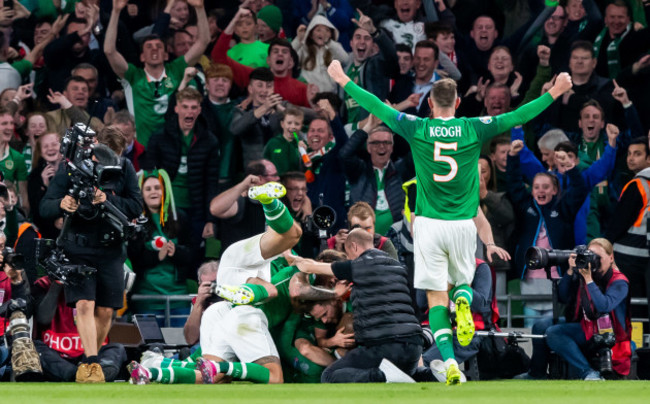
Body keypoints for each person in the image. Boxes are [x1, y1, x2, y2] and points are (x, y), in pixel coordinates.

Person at [328, 58, 574, 384]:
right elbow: (518, 115)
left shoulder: (417, 126)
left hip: (429, 224)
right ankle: (463, 301)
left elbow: (377, 106)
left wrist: (343, 78)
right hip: (463, 223)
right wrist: (555, 91)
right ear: (458, 103)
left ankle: (449, 362)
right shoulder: (474, 126)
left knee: (434, 299)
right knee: (461, 285)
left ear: (429, 103)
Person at [39, 128, 143, 383]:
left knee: (107, 310)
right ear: (93, 149)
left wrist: (108, 198)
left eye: (114, 157)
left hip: (110, 248)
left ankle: (86, 361)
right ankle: (92, 363)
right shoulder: (72, 167)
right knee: (85, 304)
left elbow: (136, 206)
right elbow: (45, 206)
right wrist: (62, 204)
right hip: (78, 246)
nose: (108, 163)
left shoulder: (125, 168)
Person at [294, 228, 423, 383]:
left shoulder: (358, 266)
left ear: (354, 247)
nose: (350, 259)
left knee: (329, 376)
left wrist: (293, 259)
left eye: (349, 254)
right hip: (414, 347)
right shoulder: (397, 266)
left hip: (385, 346)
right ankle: (432, 374)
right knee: (411, 376)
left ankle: (382, 376)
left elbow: (309, 267)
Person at [516, 238, 631, 380]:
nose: (593, 261)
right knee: (540, 326)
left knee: (554, 333)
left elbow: (603, 306)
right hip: (585, 323)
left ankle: (587, 372)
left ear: (611, 257)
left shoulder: (619, 282)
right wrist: (570, 271)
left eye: (597, 257)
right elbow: (562, 297)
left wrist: (588, 280)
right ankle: (536, 373)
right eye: (590, 256)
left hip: (607, 331)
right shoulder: (585, 273)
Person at [104, 0, 210, 146]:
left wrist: (199, 8)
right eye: (149, 47)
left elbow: (203, 42)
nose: (154, 49)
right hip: (143, 149)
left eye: (159, 47)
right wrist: (115, 12)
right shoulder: (133, 75)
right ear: (142, 56)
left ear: (166, 55)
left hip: (173, 148)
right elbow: (109, 51)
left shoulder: (176, 69)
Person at [141, 87, 219, 252]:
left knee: (194, 255)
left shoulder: (210, 140)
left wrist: (210, 219)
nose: (189, 112)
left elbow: (211, 182)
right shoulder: (159, 136)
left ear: (199, 110)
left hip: (196, 210)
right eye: (185, 107)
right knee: (167, 252)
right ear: (176, 108)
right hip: (167, 208)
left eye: (193, 107)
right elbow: (149, 175)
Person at [31, 275, 127, 382]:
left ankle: (95, 374)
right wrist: (57, 283)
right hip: (57, 353)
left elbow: (108, 317)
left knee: (117, 349)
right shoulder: (42, 284)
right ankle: (76, 375)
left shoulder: (98, 283)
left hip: (91, 354)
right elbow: (43, 319)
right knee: (34, 348)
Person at [127, 170, 192, 327]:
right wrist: (157, 256)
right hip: (146, 300)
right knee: (150, 349)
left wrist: (175, 252)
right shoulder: (134, 222)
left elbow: (192, 255)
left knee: (182, 346)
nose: (153, 192)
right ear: (141, 194)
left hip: (178, 299)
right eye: (148, 189)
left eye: (157, 187)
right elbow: (133, 258)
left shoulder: (180, 217)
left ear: (165, 191)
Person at [606, 138, 650, 325]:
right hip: (644, 257)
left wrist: (605, 246)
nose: (631, 158)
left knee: (629, 310)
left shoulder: (638, 185)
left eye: (637, 154)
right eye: (629, 153)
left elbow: (618, 223)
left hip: (628, 258)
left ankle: (630, 349)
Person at [0, 231, 31, 379]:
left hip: (7, 341)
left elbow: (26, 308)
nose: (0, 252)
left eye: (1, 247)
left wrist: (17, 280)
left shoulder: (10, 270)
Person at [27, 132, 63, 240]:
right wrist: (45, 185)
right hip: (47, 234)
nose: (50, 149)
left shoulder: (74, 171)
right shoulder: (35, 176)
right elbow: (36, 212)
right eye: (45, 146)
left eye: (54, 144)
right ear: (40, 152)